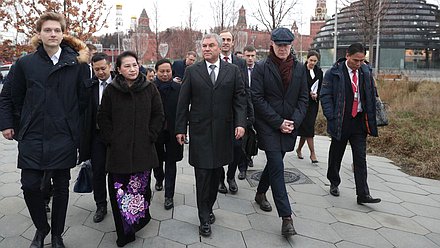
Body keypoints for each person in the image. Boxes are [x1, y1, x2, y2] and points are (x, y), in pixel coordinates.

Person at [10, 12, 90, 248]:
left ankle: (56, 235)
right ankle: (41, 228)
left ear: (63, 33)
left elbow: (83, 101)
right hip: (33, 135)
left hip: (63, 135)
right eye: (47, 30)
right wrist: (10, 125)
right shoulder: (25, 64)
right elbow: (12, 97)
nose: (52, 34)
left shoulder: (77, 64)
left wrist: (72, 126)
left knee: (62, 188)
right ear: (39, 34)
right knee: (30, 185)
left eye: (57, 30)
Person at [175, 33, 247, 237]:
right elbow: (183, 102)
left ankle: (209, 206)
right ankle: (203, 216)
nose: (206, 49)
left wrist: (241, 123)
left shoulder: (232, 71)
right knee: (202, 175)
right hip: (200, 132)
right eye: (204, 46)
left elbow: (239, 99)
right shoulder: (192, 71)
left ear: (219, 48)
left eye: (210, 45)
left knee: (216, 174)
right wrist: (181, 128)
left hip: (224, 132)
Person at [97, 51, 164, 247]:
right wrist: (111, 139)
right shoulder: (111, 90)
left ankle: (136, 223)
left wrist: (150, 135)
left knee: (139, 192)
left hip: (143, 151)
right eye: (127, 66)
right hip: (118, 153)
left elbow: (158, 115)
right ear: (118, 69)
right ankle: (124, 233)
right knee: (119, 193)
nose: (132, 69)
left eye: (134, 65)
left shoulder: (150, 89)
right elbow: (103, 117)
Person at [250, 27, 309, 237]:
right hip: (269, 125)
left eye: (286, 45)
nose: (283, 49)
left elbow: (304, 98)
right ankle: (287, 217)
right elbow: (256, 98)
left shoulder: (300, 69)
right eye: (279, 45)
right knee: (277, 165)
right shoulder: (261, 67)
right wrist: (278, 122)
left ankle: (259, 193)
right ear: (272, 45)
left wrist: (294, 120)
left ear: (291, 45)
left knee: (274, 163)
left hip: (290, 126)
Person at [320, 43, 381, 205]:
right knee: (336, 154)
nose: (359, 64)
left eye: (362, 60)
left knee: (360, 158)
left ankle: (363, 194)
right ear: (347, 56)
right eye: (356, 60)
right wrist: (331, 116)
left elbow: (372, 93)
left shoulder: (366, 72)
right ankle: (334, 181)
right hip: (341, 120)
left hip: (359, 122)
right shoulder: (334, 73)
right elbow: (325, 96)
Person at [79, 52, 115, 223]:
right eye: (96, 69)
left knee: (117, 171)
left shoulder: (119, 83)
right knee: (99, 172)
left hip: (117, 137)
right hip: (97, 137)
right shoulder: (89, 86)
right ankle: (101, 204)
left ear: (110, 66)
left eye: (103, 68)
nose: (100, 72)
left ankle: (118, 202)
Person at [218, 30, 250, 194]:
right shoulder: (212, 62)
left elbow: (244, 90)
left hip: (235, 115)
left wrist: (245, 117)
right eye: (222, 39)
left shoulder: (240, 63)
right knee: (217, 149)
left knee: (237, 147)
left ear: (232, 43)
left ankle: (231, 176)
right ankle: (220, 178)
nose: (225, 42)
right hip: (217, 116)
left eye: (228, 40)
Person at [152, 59, 184, 211]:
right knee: (156, 160)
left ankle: (169, 195)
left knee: (171, 162)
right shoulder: (150, 88)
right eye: (162, 71)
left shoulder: (179, 89)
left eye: (168, 71)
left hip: (173, 131)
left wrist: (182, 130)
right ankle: (159, 178)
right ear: (156, 72)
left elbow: (183, 111)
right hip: (155, 132)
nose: (165, 74)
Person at [296, 50, 323, 164]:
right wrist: (308, 93)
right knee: (307, 128)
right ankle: (312, 153)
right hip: (302, 103)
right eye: (311, 60)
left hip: (313, 104)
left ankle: (299, 149)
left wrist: (317, 95)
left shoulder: (319, 72)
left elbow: (322, 87)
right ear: (307, 59)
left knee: (308, 127)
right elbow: (298, 87)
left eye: (315, 61)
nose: (312, 63)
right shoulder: (301, 70)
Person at [238, 45, 258, 180]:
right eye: (248, 56)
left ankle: (250, 156)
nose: (250, 58)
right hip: (244, 107)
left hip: (258, 106)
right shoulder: (239, 69)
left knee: (253, 136)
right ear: (244, 56)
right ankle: (242, 167)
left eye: (252, 56)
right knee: (243, 138)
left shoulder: (260, 70)